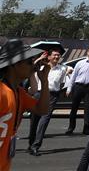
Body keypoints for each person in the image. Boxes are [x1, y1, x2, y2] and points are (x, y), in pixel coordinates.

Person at [0, 40, 52, 171]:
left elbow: (42, 109)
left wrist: (44, 81)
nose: (34, 66)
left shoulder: (18, 92)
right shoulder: (2, 93)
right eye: (30, 62)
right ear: (15, 64)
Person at [27, 47, 69, 156]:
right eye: (54, 55)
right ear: (49, 56)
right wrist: (40, 58)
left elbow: (61, 83)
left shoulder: (62, 69)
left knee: (44, 120)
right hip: (39, 94)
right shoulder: (41, 67)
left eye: (58, 55)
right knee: (34, 120)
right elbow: (30, 68)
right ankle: (31, 143)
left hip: (52, 95)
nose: (56, 57)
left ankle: (36, 146)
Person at [66, 46, 89, 135]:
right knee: (74, 108)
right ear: (87, 52)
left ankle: (86, 128)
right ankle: (71, 127)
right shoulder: (80, 63)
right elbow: (73, 76)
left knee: (87, 109)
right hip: (78, 87)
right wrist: (69, 88)